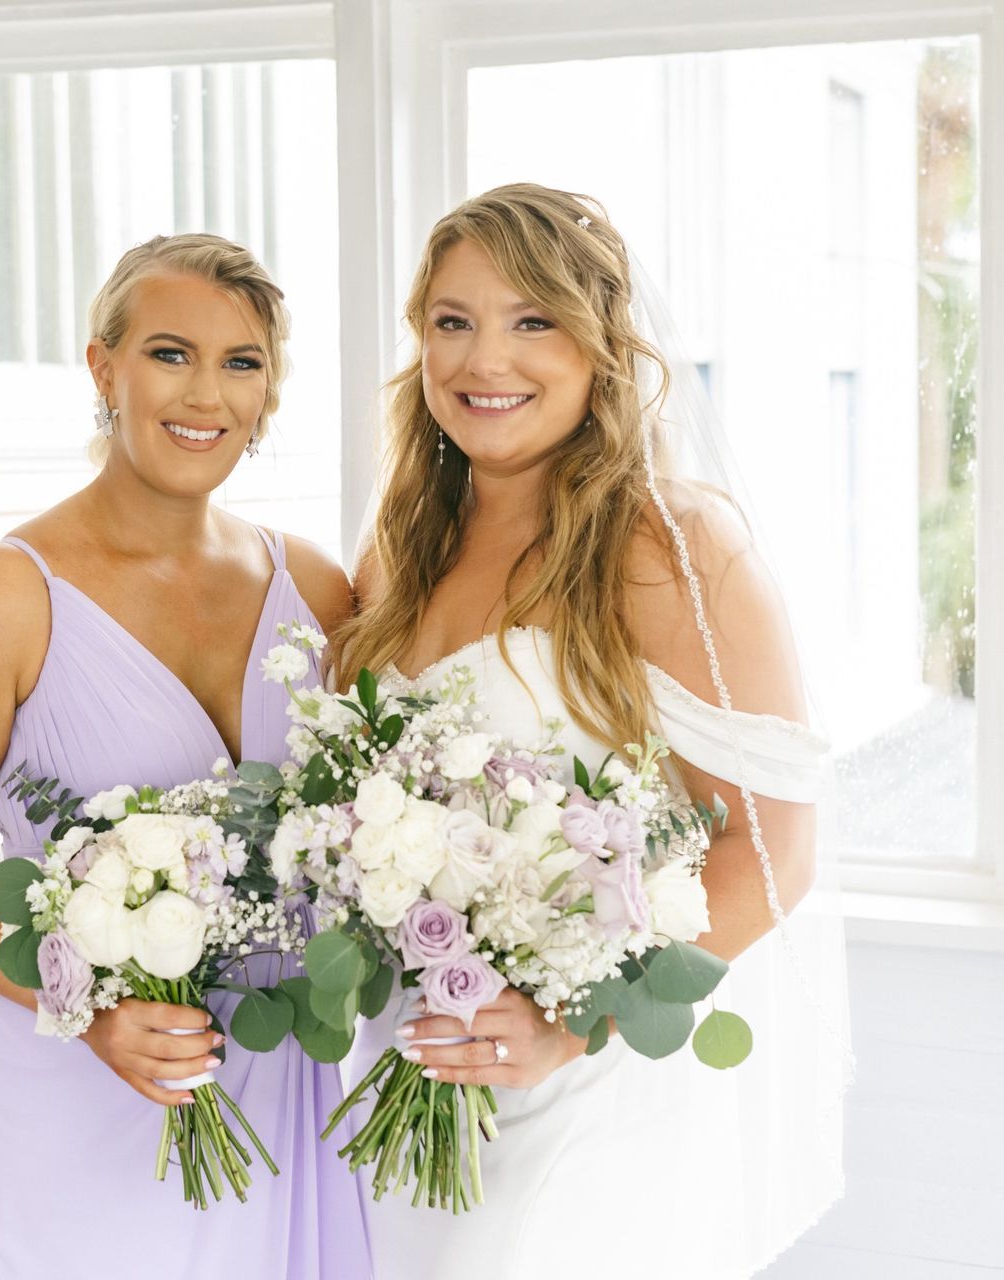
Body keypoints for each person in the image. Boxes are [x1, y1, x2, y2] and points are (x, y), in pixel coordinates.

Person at [333, 183, 848, 1277]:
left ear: (602, 344)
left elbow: (772, 850)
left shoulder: (677, 545)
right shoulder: (394, 553)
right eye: (452, 321)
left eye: (533, 321)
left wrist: (568, 1018)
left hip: (592, 1085)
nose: (486, 361)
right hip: (414, 1068)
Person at [0, 233, 370, 1278]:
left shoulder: (316, 588)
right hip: (63, 1097)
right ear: (104, 366)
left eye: (243, 362)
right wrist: (86, 1006)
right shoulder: (5, 594)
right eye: (170, 353)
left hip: (273, 1079)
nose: (207, 393)